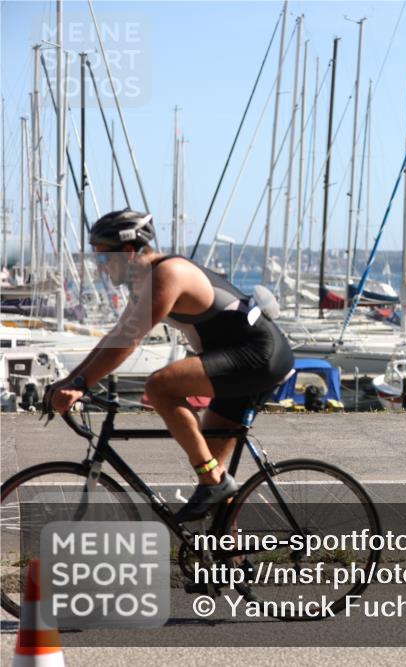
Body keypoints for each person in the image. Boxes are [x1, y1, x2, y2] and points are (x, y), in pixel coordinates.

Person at [44, 209, 295, 522]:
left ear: (128, 252)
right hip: (237, 361)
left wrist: (80, 385)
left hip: (259, 355)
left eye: (104, 258)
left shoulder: (168, 274)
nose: (101, 267)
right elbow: (115, 336)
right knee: (217, 483)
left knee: (159, 387)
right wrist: (69, 379)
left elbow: (129, 339)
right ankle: (233, 562)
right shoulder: (144, 283)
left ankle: (210, 485)